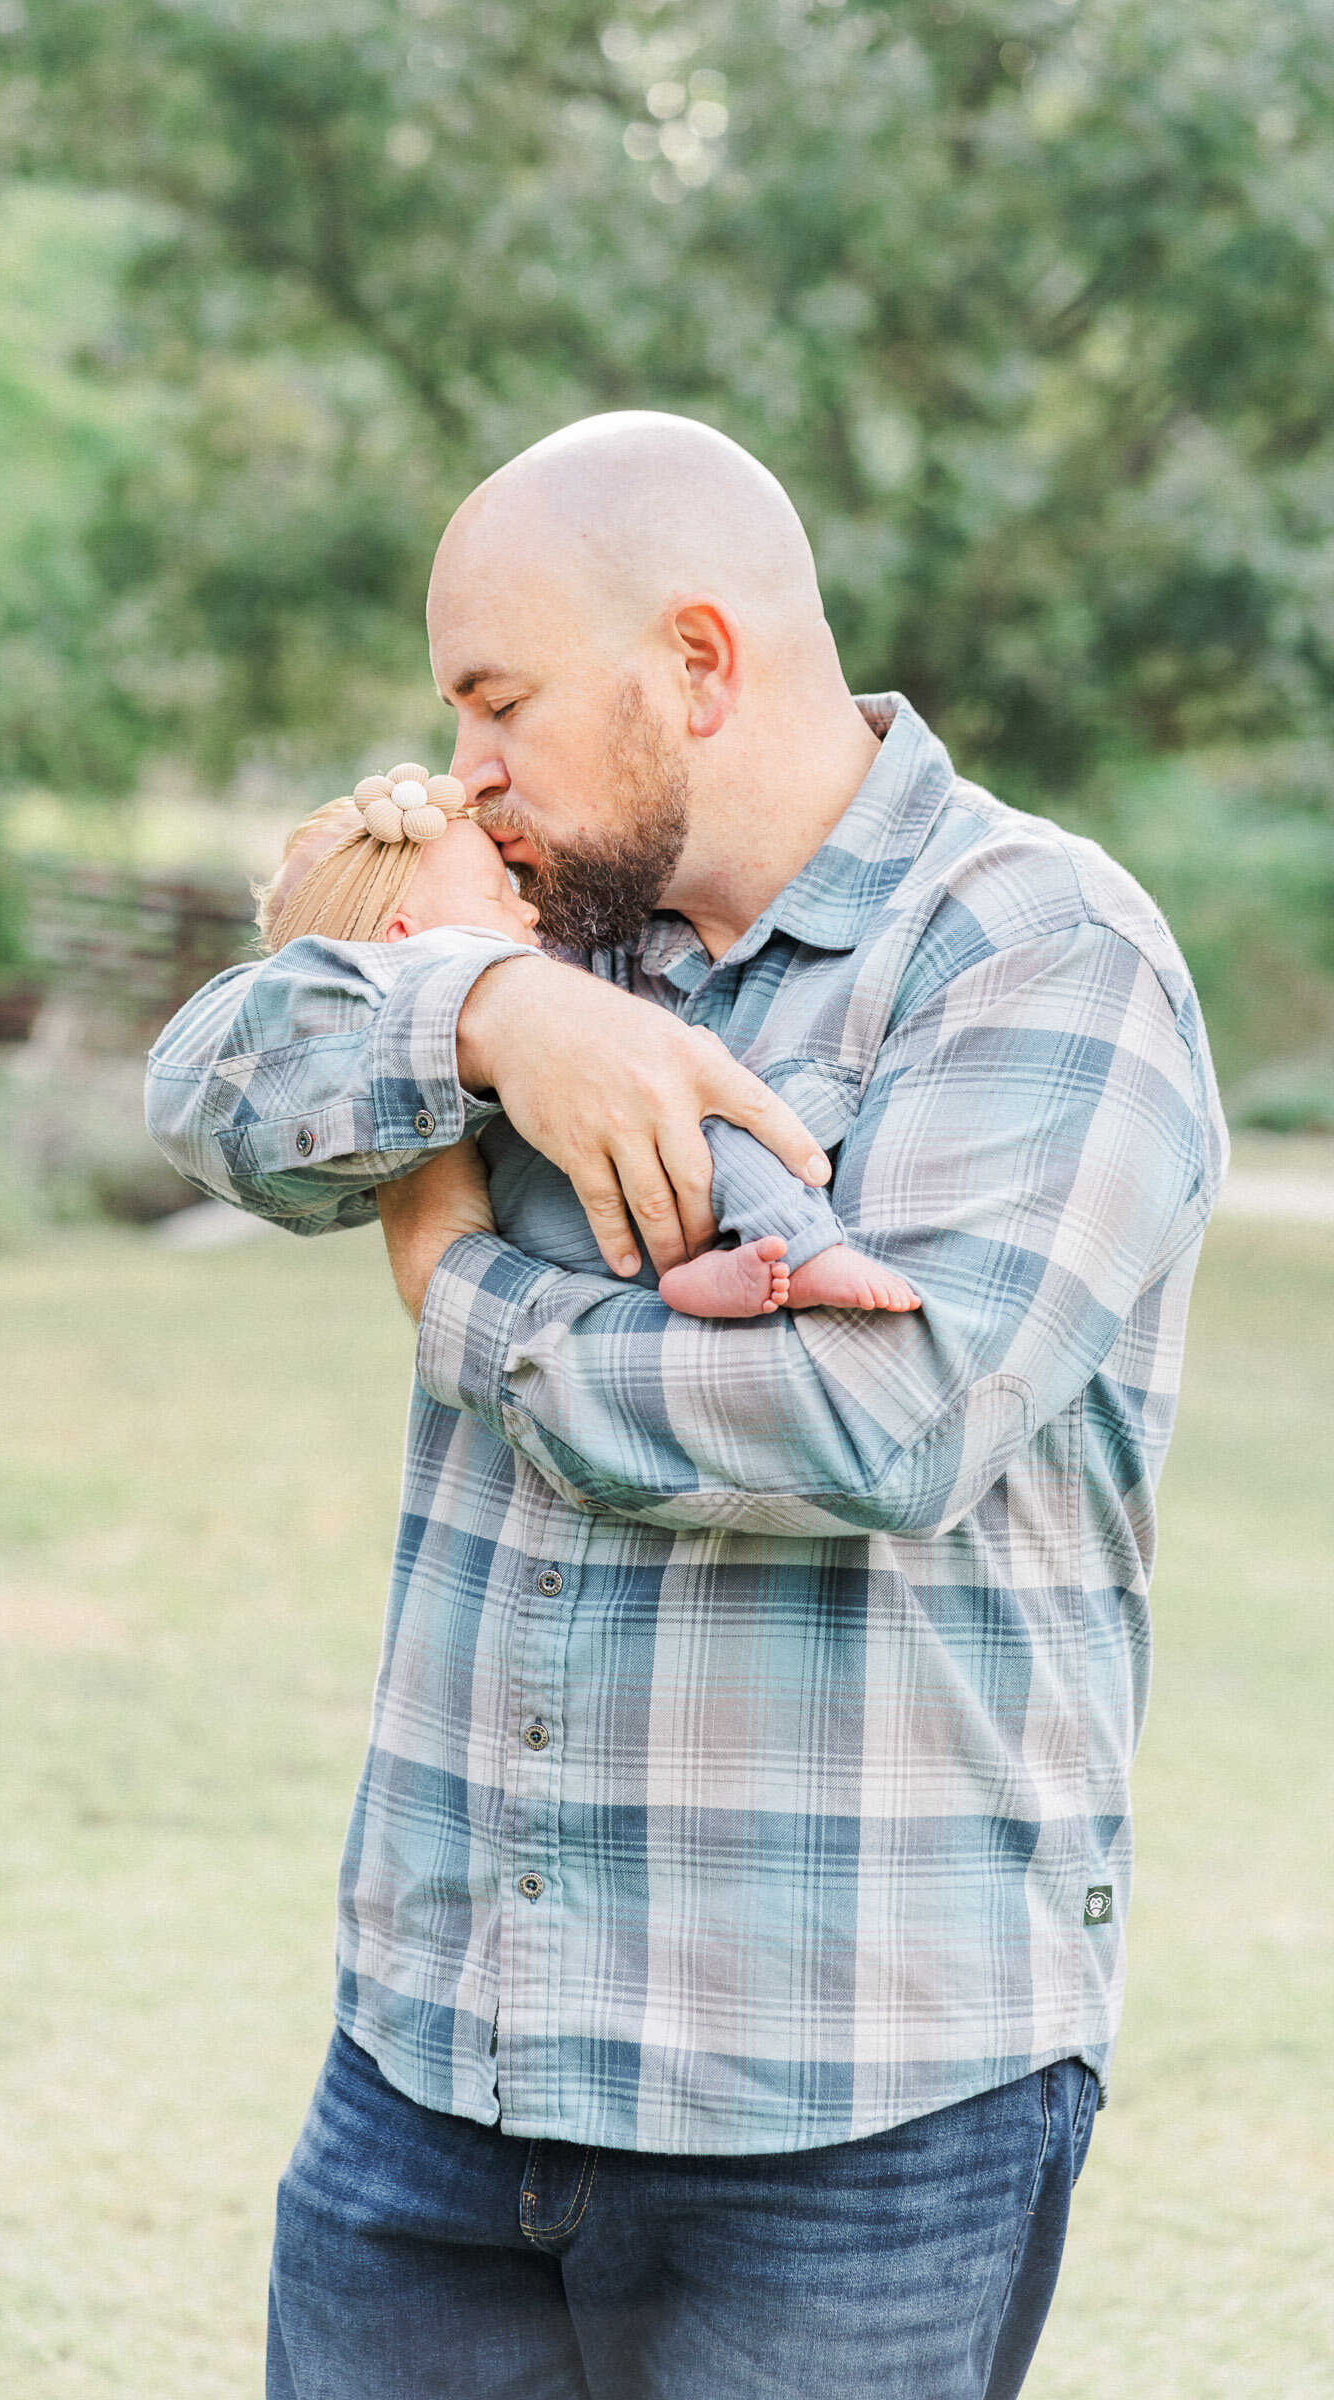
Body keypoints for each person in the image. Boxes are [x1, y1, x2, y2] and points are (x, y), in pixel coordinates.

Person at [145, 412, 1227, 2399]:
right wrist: (488, 1012)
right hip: (433, 2070)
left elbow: (877, 1424)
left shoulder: (1039, 958)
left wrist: (460, 1295)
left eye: (499, 703)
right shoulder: (535, 919)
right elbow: (210, 1090)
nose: (462, 767)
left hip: (846, 2123)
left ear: (697, 669)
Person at [260, 764, 921, 1320]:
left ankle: (701, 1277)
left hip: (558, 1224)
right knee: (700, 1116)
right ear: (408, 939)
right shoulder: (431, 1005)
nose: (529, 913)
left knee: (672, 1138)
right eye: (498, 894)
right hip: (564, 1203)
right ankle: (805, 1244)